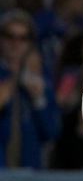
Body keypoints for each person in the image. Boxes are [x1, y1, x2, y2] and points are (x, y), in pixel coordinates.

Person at [0, 9, 60, 168]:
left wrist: (39, 99)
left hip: (30, 175)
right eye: (9, 36)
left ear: (30, 43)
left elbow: (51, 132)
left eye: (23, 38)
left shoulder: (41, 80)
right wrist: (17, 77)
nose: (15, 44)